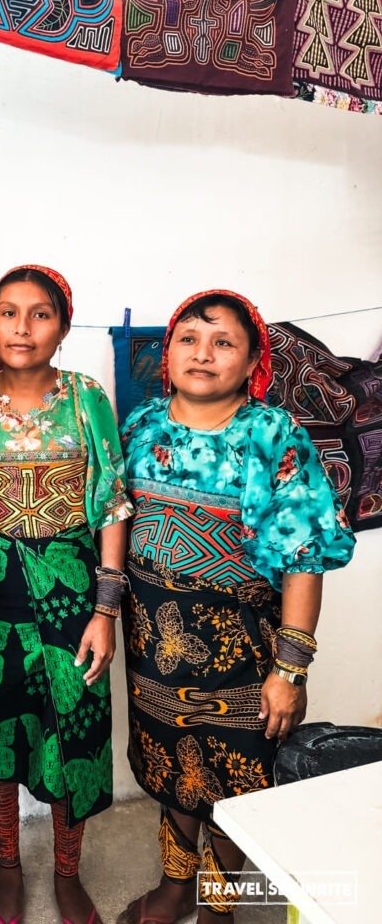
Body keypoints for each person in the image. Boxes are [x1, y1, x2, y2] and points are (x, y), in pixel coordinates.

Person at [117, 290, 355, 924]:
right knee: (171, 766)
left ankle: (219, 905)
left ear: (252, 362)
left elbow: (304, 556)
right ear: (167, 352)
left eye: (223, 342)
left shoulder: (275, 437)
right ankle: (175, 886)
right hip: (153, 647)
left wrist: (291, 671)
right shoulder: (141, 427)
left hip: (245, 654)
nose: (203, 354)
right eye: (189, 339)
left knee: (239, 778)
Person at [0, 265, 132, 924]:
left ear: (63, 327)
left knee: (72, 731)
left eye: (40, 313)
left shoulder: (85, 399)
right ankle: (8, 866)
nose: (22, 327)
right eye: (8, 312)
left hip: (73, 591)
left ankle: (68, 873)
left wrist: (105, 610)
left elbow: (110, 504)